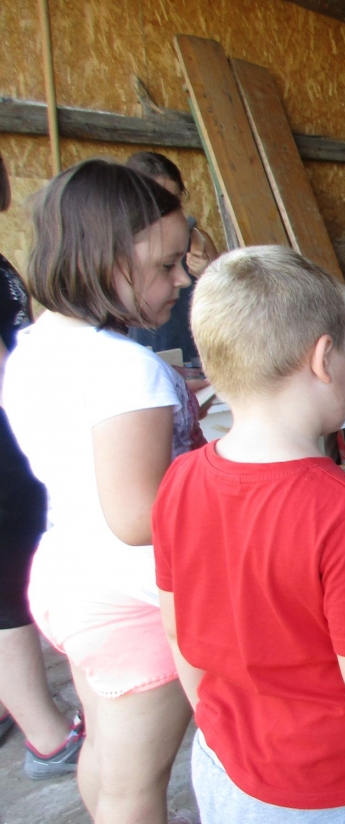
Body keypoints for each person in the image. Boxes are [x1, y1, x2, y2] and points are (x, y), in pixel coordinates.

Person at [152, 245, 345, 824]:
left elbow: (177, 629)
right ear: (323, 359)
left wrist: (218, 724)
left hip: (223, 767)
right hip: (327, 792)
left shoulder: (179, 479)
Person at [4, 159, 202, 823]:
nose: (182, 280)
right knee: (135, 787)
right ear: (111, 262)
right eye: (167, 266)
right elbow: (138, 517)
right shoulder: (126, 367)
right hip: (131, 597)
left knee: (107, 755)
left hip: (69, 575)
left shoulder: (36, 342)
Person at [0, 150, 86, 779]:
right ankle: (48, 740)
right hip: (5, 449)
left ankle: (14, 702)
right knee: (8, 594)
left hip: (15, 442)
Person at [125, 151, 218, 365]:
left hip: (193, 349)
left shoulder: (198, 240)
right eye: (159, 201)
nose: (169, 210)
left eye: (174, 199)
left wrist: (208, 274)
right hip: (145, 348)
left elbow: (224, 300)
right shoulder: (124, 245)